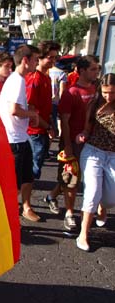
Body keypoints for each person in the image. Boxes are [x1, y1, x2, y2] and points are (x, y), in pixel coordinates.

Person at [45, 55, 100, 230]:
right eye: (93, 69)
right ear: (82, 71)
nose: (97, 72)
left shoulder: (97, 88)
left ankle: (51, 196)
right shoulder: (71, 93)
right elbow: (65, 122)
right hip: (73, 143)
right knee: (71, 179)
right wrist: (67, 145)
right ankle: (69, 213)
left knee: (81, 178)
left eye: (97, 69)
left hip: (91, 142)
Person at [0, 44, 40, 222]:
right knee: (13, 184)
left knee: (26, 177)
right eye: (35, 60)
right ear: (25, 60)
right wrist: (32, 114)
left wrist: (28, 110)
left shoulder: (16, 80)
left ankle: (21, 211)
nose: (37, 64)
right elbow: (14, 110)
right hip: (14, 140)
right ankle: (6, 218)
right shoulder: (18, 81)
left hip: (18, 138)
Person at [75, 73, 115, 251]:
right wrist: (82, 134)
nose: (109, 96)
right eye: (106, 92)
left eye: (113, 93)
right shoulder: (94, 104)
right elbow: (87, 128)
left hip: (112, 155)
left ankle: (102, 206)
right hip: (93, 152)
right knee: (91, 192)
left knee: (110, 198)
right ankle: (83, 233)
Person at [26, 41, 60, 181]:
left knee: (36, 168)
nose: (53, 61)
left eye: (55, 57)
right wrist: (48, 127)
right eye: (50, 57)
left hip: (42, 130)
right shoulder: (34, 79)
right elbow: (30, 108)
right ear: (40, 58)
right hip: (34, 132)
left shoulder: (46, 77)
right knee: (32, 170)